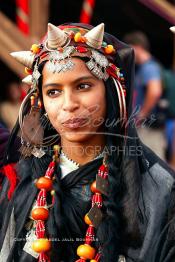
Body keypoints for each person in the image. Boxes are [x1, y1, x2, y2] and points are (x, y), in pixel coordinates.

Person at [0, 22, 175, 262]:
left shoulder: (160, 191)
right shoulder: (24, 177)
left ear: (112, 91)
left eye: (83, 86)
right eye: (53, 91)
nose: (68, 104)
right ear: (39, 101)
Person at [123, 31, 166, 160]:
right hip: (148, 123)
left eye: (129, 49)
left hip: (149, 125)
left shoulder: (149, 67)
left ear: (137, 47)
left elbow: (155, 91)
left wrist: (142, 114)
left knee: (154, 162)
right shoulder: (146, 67)